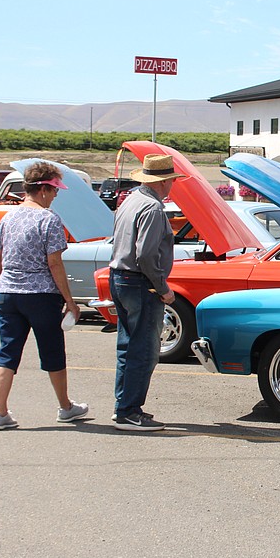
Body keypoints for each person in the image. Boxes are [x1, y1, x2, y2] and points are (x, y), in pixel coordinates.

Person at [0, 161, 87, 430]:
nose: (56, 196)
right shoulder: (49, 219)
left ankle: (0, 412)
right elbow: (55, 263)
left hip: (9, 292)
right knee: (53, 351)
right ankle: (65, 407)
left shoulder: (8, 217)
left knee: (7, 352)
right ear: (43, 189)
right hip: (41, 294)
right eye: (55, 191)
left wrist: (1, 285)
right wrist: (69, 300)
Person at [108, 153, 187, 431]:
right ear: (164, 182)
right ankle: (129, 410)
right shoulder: (152, 208)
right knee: (144, 349)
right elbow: (146, 255)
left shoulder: (131, 201)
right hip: (140, 282)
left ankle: (124, 407)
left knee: (127, 346)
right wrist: (163, 288)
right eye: (171, 181)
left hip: (120, 276)